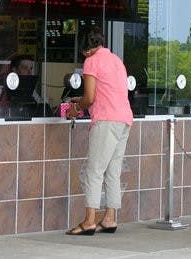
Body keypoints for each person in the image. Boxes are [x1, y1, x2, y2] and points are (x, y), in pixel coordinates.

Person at [65, 25, 133, 235]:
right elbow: (106, 91)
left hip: (106, 121)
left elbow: (90, 98)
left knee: (94, 172)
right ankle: (110, 219)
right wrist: (82, 101)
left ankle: (89, 221)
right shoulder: (116, 60)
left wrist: (75, 107)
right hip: (124, 120)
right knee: (113, 171)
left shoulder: (91, 61)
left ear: (84, 47)